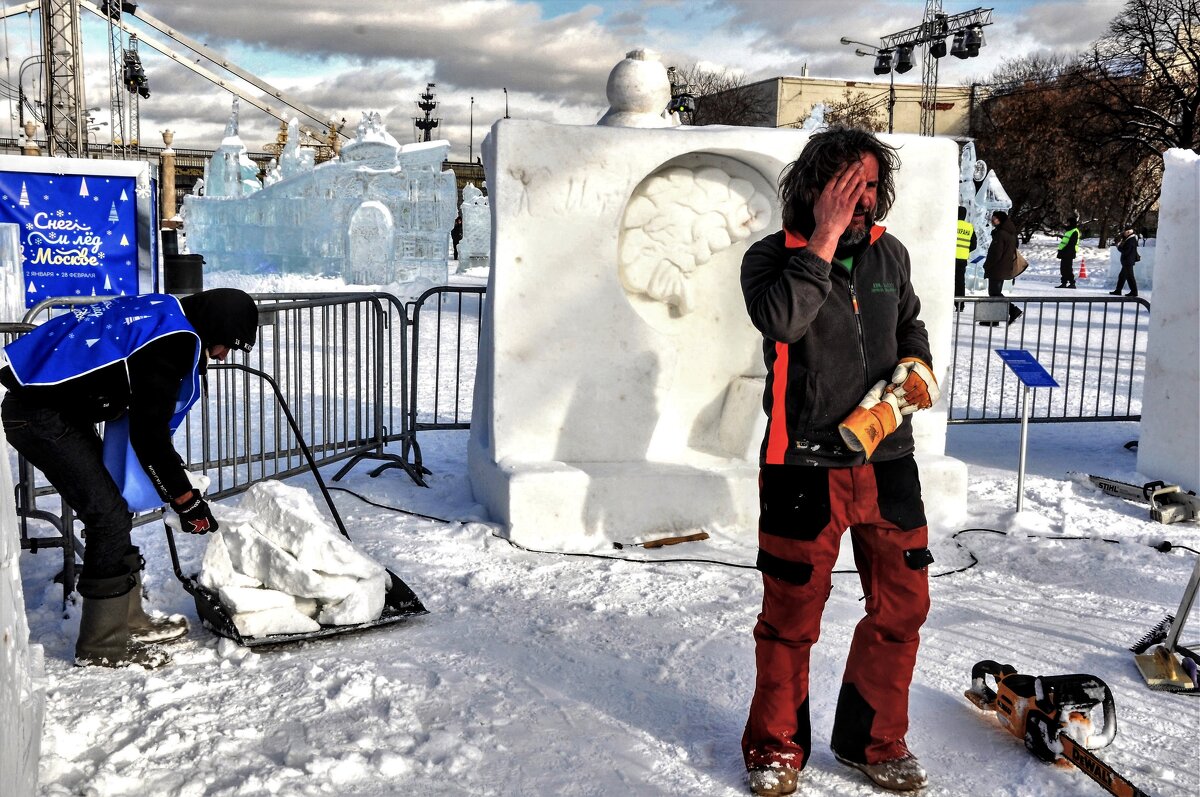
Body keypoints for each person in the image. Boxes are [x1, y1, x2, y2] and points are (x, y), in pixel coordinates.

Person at [739, 127, 938, 795]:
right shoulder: (770, 260)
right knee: (791, 618)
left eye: (872, 186)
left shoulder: (892, 256)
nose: (864, 199)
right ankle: (776, 748)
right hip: (801, 465)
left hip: (888, 459)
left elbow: (909, 323)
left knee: (903, 605)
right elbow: (784, 321)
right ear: (816, 187)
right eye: (849, 185)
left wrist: (916, 368)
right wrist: (820, 242)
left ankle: (873, 741)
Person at [0, 288, 258, 669]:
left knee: (112, 509)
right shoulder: (170, 344)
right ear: (214, 326)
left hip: (56, 410)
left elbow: (145, 421)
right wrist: (186, 501)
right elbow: (148, 437)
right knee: (107, 517)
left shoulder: (165, 312)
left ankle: (128, 619)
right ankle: (102, 645)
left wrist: (175, 480)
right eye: (225, 345)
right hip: (39, 416)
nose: (221, 356)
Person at [981, 210, 1024, 326]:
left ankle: (1013, 310)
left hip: (997, 267)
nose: (992, 220)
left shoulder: (1001, 234)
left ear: (1000, 219)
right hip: (1004, 266)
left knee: (994, 293)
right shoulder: (1011, 233)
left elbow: (996, 253)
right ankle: (994, 319)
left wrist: (987, 265)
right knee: (995, 292)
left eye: (994, 218)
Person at [954, 206, 976, 312]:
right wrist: (965, 251)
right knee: (960, 281)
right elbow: (974, 245)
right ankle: (960, 304)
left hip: (950, 258)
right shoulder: (969, 227)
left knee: (948, 280)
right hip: (962, 258)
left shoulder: (952, 225)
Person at [1110, 227, 1139, 297]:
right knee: (1122, 276)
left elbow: (1126, 251)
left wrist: (1118, 247)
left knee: (1130, 277)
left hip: (1128, 261)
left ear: (1129, 232)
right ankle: (1118, 290)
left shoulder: (1131, 240)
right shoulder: (1130, 239)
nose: (1124, 233)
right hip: (1128, 261)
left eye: (1125, 232)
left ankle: (1134, 292)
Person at [1056, 216, 1081, 288]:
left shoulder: (1074, 231)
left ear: (1071, 223)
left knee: (1068, 268)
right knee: (1063, 268)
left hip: (1069, 252)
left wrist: (1064, 251)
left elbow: (1071, 243)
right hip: (1065, 252)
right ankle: (1064, 283)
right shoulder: (1069, 231)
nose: (1067, 224)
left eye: (1068, 223)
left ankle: (1072, 283)